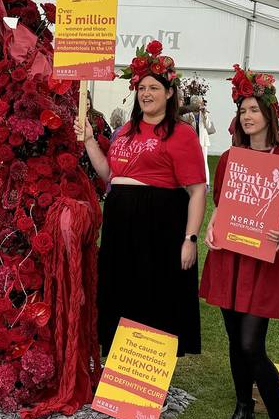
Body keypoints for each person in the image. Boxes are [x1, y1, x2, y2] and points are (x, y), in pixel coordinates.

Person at [200, 65, 279, 419]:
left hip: (263, 261)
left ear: (270, 115)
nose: (247, 116)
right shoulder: (230, 158)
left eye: (254, 110)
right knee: (234, 340)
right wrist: (212, 227)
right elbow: (222, 205)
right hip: (231, 257)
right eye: (243, 110)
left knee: (251, 344)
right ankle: (244, 411)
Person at [77, 40, 207, 357]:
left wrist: (190, 238)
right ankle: (120, 367)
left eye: (153, 88)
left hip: (159, 226)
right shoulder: (124, 131)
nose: (146, 94)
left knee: (154, 295)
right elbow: (109, 175)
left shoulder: (181, 133)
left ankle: (148, 375)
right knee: (121, 292)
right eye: (142, 88)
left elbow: (197, 190)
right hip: (121, 225)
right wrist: (91, 142)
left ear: (170, 93)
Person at [80, 90, 113, 200]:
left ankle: (96, 195)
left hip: (94, 152)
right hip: (80, 153)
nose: (86, 107)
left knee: (94, 176)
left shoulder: (98, 116)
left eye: (88, 104)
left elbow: (108, 134)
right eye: (83, 105)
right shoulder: (75, 116)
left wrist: (100, 140)